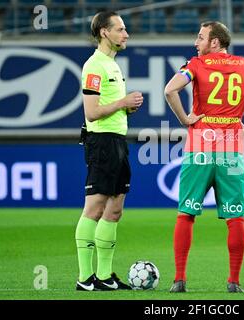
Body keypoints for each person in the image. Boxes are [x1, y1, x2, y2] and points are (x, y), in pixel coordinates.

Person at [164, 21, 244, 293]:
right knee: (235, 218)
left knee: (186, 214)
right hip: (232, 150)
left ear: (214, 42)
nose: (196, 42)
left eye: (201, 37)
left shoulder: (195, 64)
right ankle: (234, 282)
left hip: (199, 148)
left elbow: (170, 89)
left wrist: (185, 119)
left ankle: (179, 279)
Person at [75, 11, 144, 291]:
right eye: (120, 29)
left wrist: (126, 106)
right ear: (105, 32)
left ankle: (104, 276)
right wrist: (122, 102)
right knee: (94, 207)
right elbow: (91, 113)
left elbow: (107, 106)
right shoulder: (94, 66)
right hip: (102, 142)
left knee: (115, 210)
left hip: (117, 141)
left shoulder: (112, 65)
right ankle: (84, 278)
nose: (126, 34)